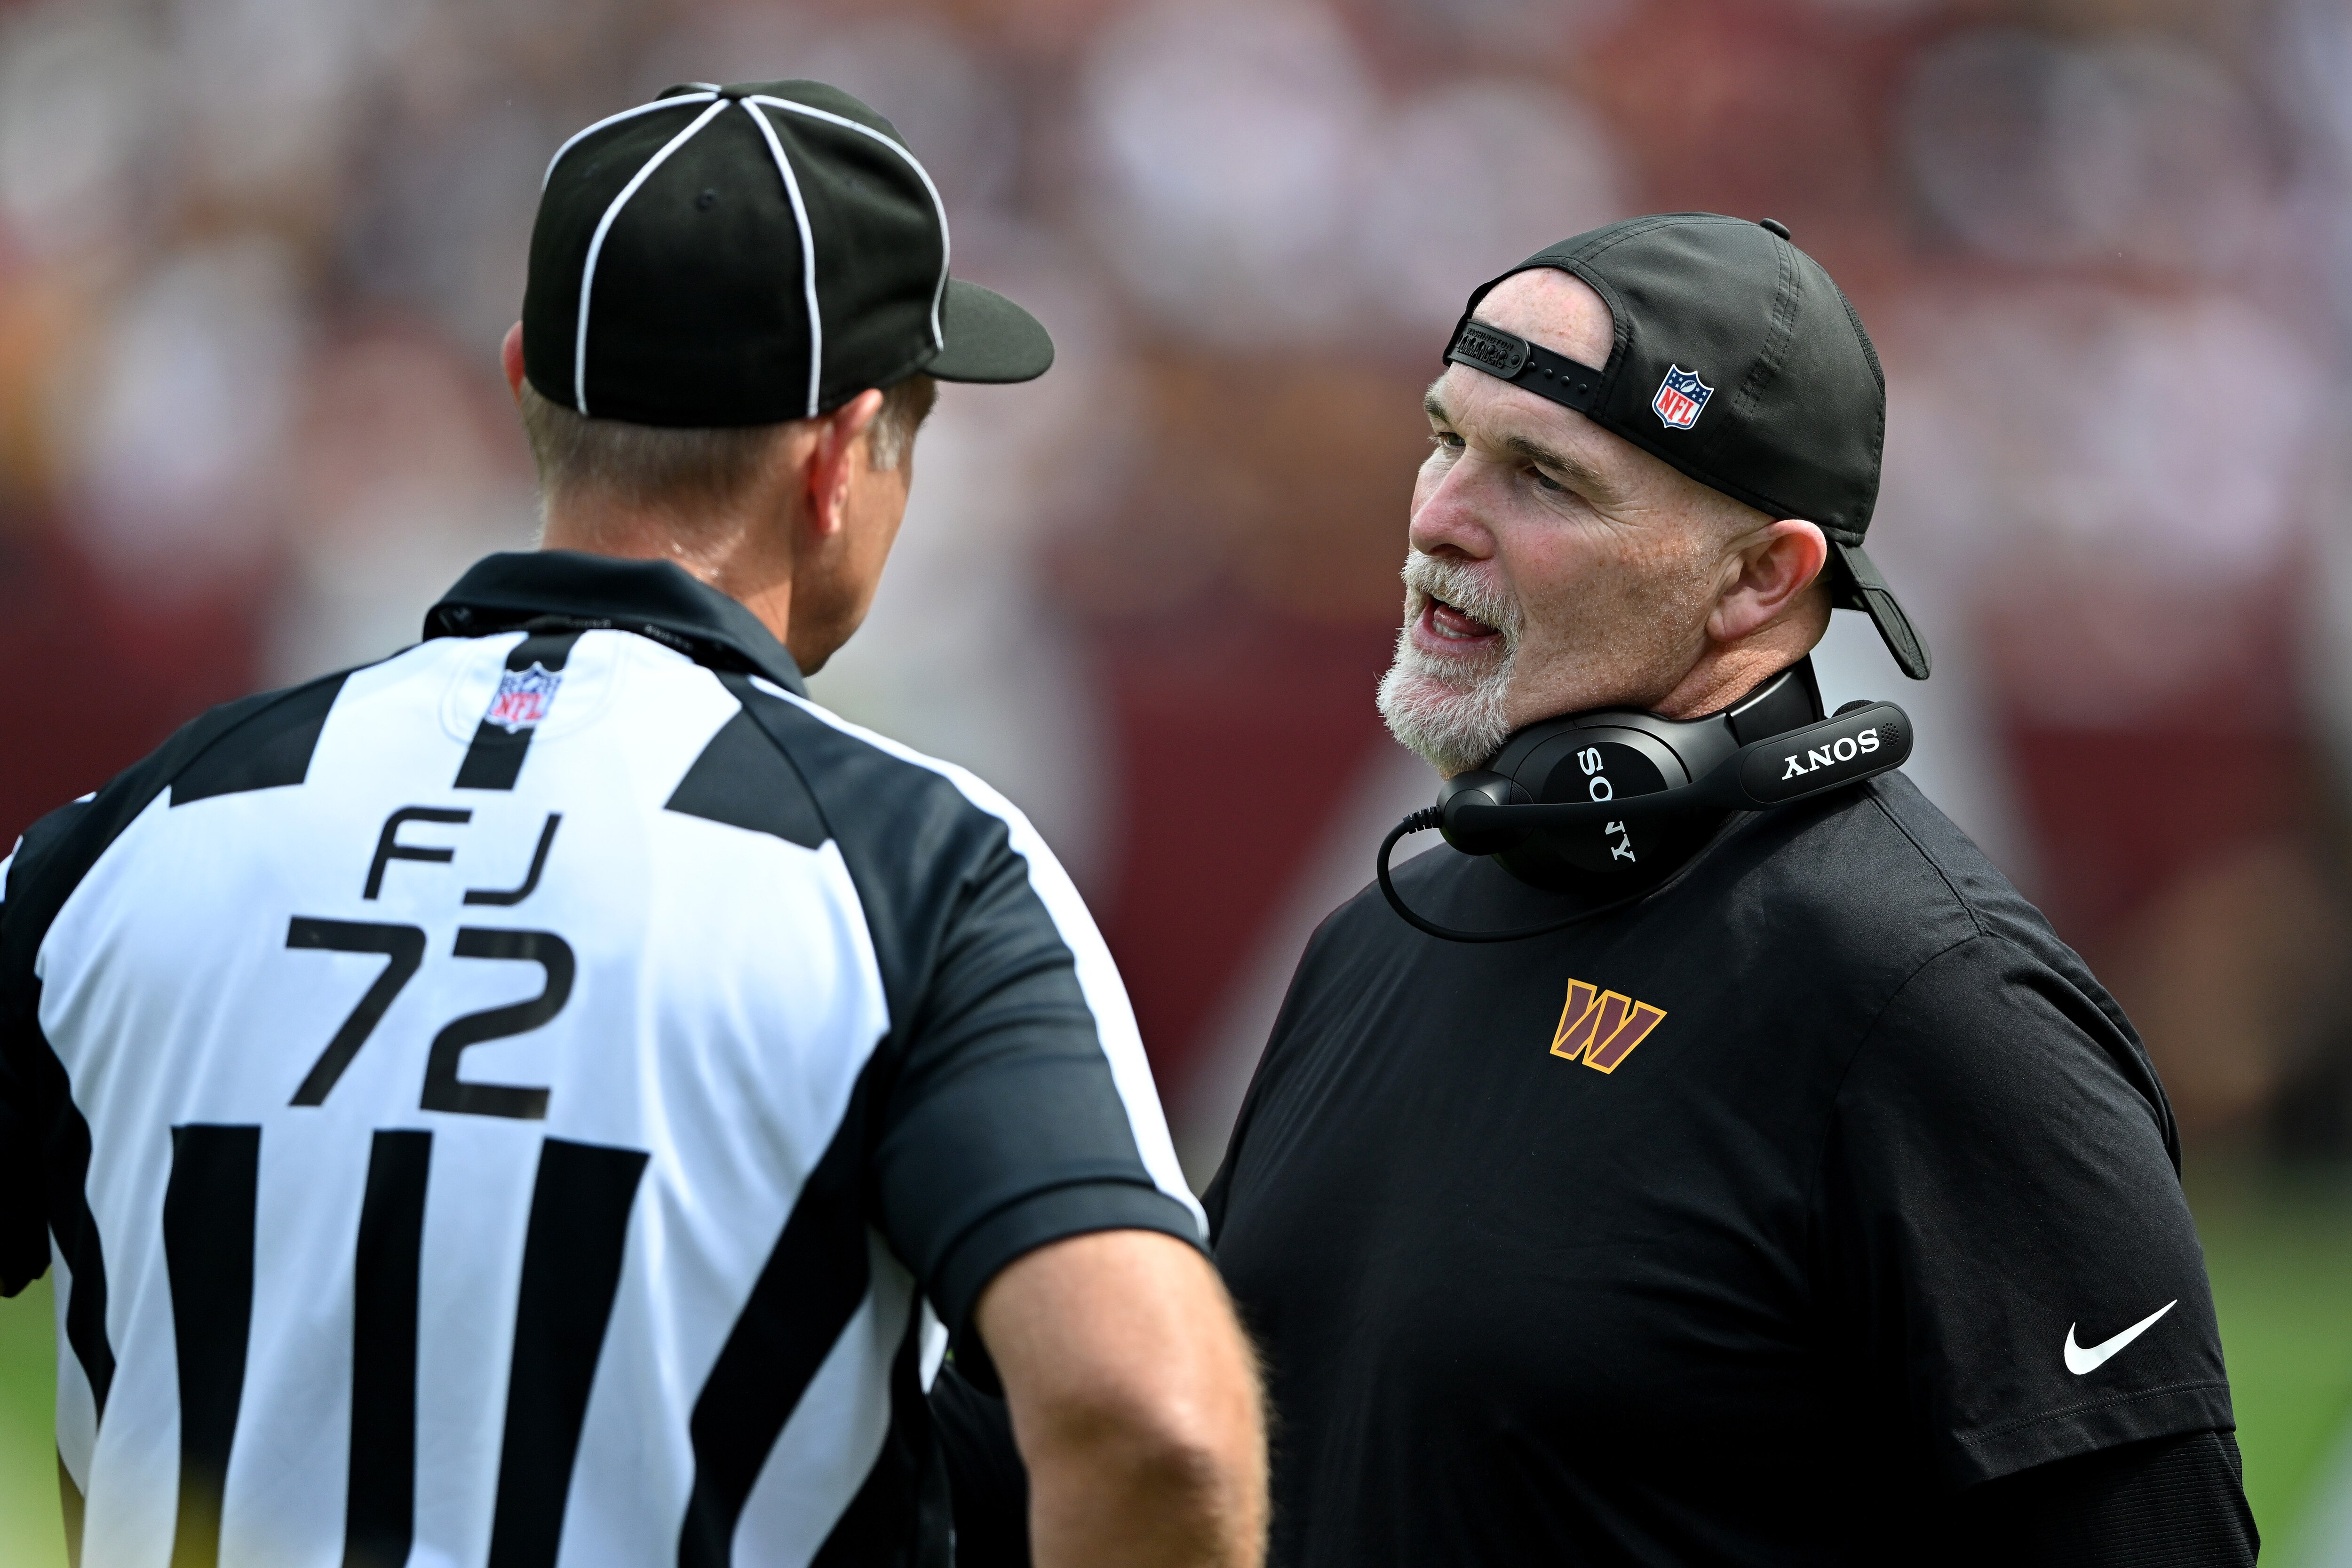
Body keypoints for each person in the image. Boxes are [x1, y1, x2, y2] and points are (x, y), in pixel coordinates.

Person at [0, 80, 1265, 1568]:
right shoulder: (921, 874)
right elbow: (1152, 1422)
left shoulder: (130, 836)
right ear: (841, 457)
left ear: (523, 382)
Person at [1197, 217, 2257, 1562]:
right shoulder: (1377, 936)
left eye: (1543, 477)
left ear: (1763, 579)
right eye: (1445, 439)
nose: (1439, 518)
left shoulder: (1932, 999)